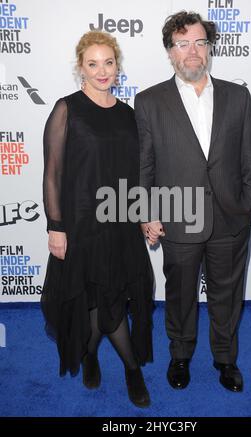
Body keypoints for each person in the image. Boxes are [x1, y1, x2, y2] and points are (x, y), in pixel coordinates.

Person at [134, 11, 251, 392]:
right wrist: (145, 212)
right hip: (176, 217)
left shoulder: (237, 95)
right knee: (179, 295)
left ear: (209, 48)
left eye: (199, 42)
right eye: (182, 44)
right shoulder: (149, 101)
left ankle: (225, 359)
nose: (192, 51)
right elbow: (144, 164)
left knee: (227, 295)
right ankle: (181, 355)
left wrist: (248, 204)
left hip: (230, 218)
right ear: (170, 52)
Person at [42, 30, 153, 408]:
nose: (102, 70)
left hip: (120, 223)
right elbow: (52, 173)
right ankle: (106, 360)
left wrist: (142, 217)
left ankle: (129, 367)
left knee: (113, 296)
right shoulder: (66, 109)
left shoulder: (127, 114)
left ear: (117, 66)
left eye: (108, 62)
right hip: (80, 225)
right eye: (93, 63)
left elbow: (134, 173)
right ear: (80, 67)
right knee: (89, 297)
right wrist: (55, 228)